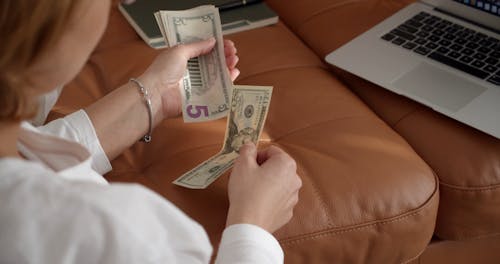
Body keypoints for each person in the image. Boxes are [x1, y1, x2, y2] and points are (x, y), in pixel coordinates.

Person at [0, 0, 302, 263]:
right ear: (40, 31)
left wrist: (156, 95)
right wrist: (253, 227)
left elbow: (32, 156)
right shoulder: (111, 231)